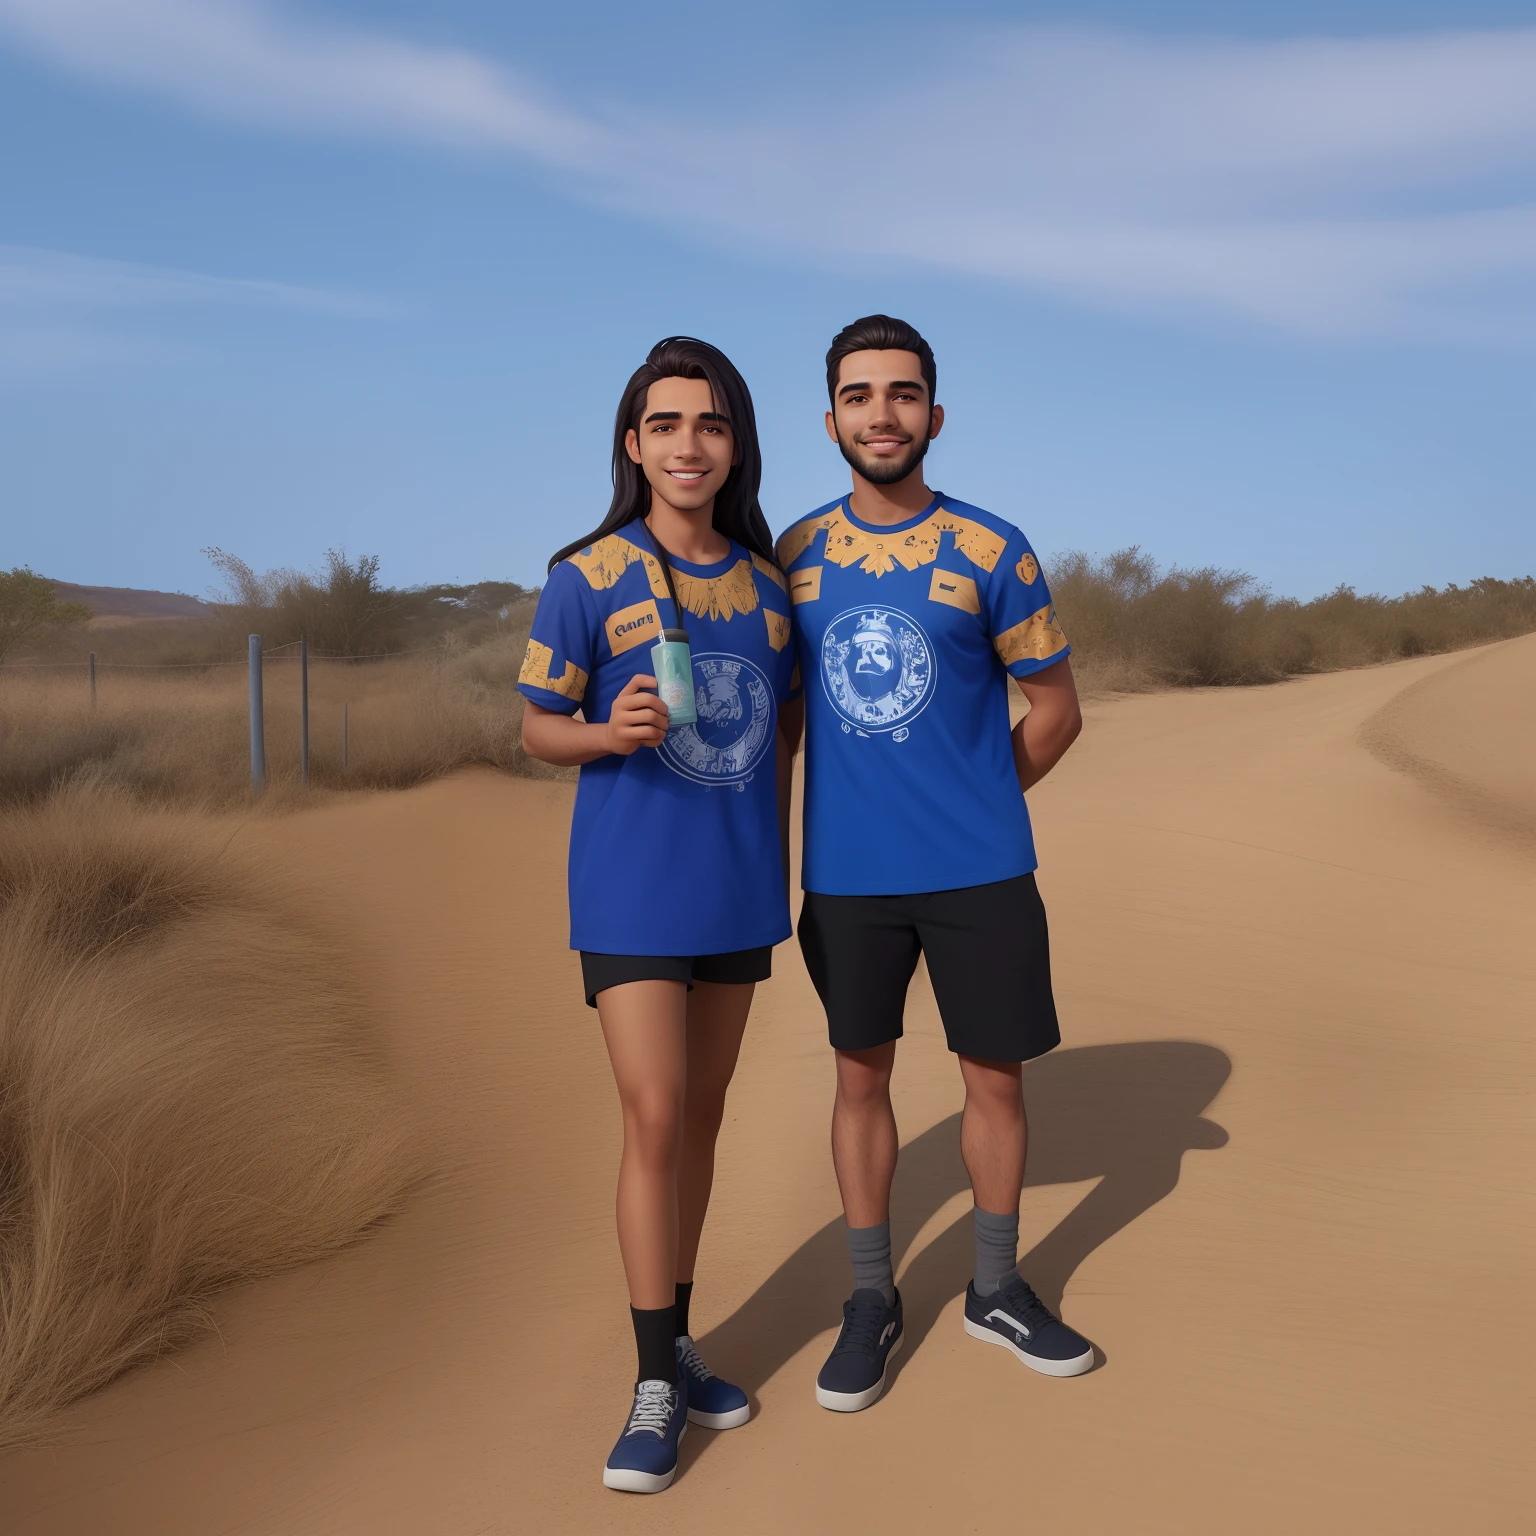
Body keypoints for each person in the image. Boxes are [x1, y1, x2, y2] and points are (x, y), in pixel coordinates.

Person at [775, 314, 1092, 1413]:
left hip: (981, 872)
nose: (882, 415)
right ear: (830, 419)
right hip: (847, 879)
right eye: (860, 397)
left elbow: (1053, 712)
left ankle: (996, 1287)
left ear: (934, 414)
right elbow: (781, 725)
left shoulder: (995, 549)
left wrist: (981, 797)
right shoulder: (794, 557)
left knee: (991, 1080)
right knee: (860, 1081)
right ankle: (873, 1300)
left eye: (903, 394)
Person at [519, 337, 798, 1491]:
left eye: (712, 423)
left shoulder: (773, 589)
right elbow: (536, 726)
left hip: (736, 888)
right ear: (634, 445)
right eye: (667, 424)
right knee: (654, 1109)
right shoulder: (587, 575)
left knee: (701, 1124)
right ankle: (649, 1382)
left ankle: (678, 1340)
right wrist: (606, 731)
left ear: (736, 444)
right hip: (631, 885)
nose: (690, 445)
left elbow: (779, 734)